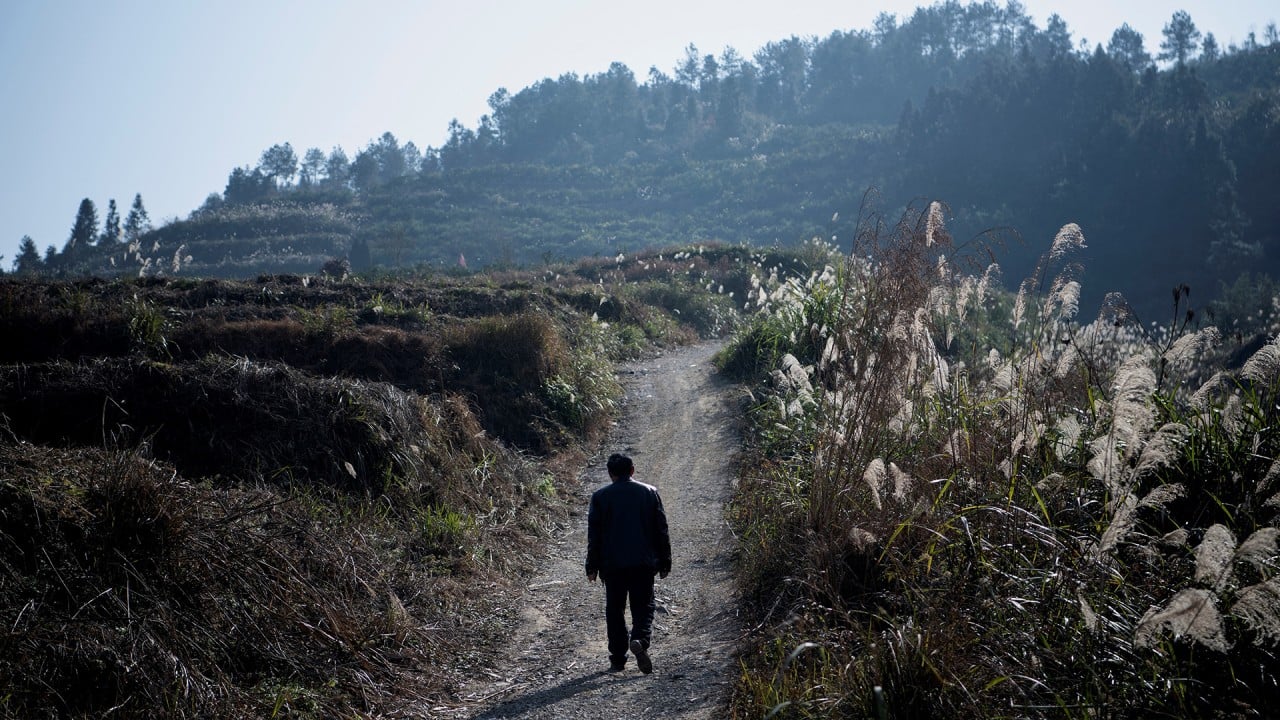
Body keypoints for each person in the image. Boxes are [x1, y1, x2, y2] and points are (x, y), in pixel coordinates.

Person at [585, 453, 671, 674]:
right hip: (643, 563)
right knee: (643, 606)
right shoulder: (649, 493)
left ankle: (617, 659)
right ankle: (640, 640)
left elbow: (594, 536)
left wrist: (591, 566)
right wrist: (664, 561)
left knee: (615, 610)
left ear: (610, 473)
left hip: (612, 565)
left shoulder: (600, 497)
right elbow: (661, 529)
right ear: (632, 470)